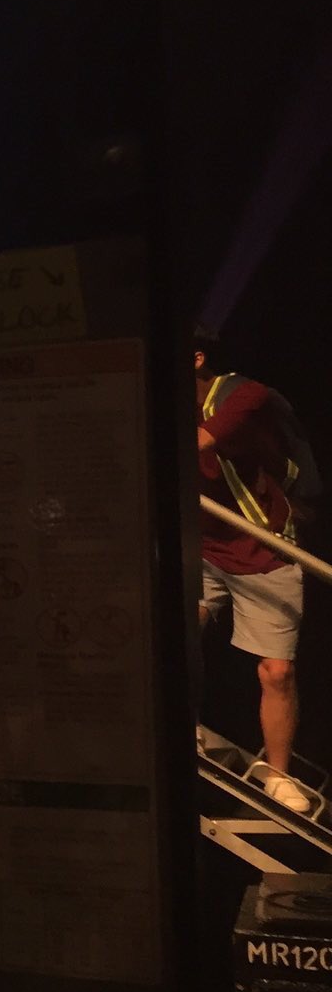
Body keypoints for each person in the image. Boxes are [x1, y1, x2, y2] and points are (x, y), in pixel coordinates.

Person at [196, 328, 316, 815]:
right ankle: (179, 722)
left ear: (196, 358)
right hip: (202, 547)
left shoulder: (242, 394)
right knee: (176, 635)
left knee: (277, 672)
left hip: (264, 551)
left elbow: (200, 442)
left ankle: (279, 775)